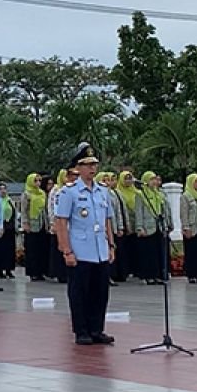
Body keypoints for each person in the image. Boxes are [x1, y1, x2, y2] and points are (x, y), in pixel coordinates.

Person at [54, 143, 116, 346]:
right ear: (77, 168)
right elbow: (61, 222)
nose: (92, 169)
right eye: (87, 165)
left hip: (100, 249)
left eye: (94, 165)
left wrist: (111, 245)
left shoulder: (102, 192)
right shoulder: (68, 192)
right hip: (80, 250)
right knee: (79, 292)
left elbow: (107, 220)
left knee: (100, 292)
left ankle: (97, 328)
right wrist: (66, 250)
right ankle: (81, 330)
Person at [135, 170, 169, 284]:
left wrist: (166, 225)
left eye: (155, 179)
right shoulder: (140, 194)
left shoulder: (158, 194)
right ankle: (147, 275)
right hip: (147, 227)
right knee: (147, 253)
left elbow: (163, 211)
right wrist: (139, 227)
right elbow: (139, 212)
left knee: (157, 252)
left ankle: (157, 275)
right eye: (151, 179)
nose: (154, 181)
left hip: (158, 226)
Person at [48, 169, 76, 283]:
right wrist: (53, 222)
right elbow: (53, 207)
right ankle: (61, 274)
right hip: (60, 223)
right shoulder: (57, 190)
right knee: (61, 249)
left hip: (72, 225)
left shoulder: (74, 190)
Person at [20, 173, 49, 282]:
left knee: (41, 248)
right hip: (32, 223)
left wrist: (48, 223)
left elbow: (45, 209)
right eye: (35, 181)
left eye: (39, 181)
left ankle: (41, 271)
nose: (38, 183)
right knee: (32, 249)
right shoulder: (26, 194)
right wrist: (25, 223)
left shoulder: (42, 194)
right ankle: (33, 272)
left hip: (42, 222)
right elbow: (23, 210)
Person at [113, 171, 139, 283]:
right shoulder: (119, 192)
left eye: (130, 179)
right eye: (126, 179)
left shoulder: (136, 192)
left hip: (134, 223)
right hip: (122, 224)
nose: (128, 181)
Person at [0, 181, 17, 280]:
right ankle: (0, 270)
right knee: (1, 250)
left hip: (10, 227)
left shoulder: (9, 200)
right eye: (1, 189)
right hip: (1, 227)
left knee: (10, 249)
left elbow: (15, 213)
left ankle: (9, 269)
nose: (3, 191)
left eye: (4, 189)